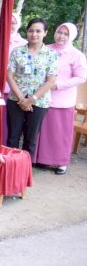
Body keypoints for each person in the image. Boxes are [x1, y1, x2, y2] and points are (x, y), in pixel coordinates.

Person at [33, 23, 87, 175]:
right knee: (43, 130)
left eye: (65, 34)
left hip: (63, 99)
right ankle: (42, 159)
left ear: (71, 37)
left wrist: (59, 85)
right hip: (43, 97)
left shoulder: (76, 55)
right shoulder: (46, 49)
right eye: (59, 32)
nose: (61, 36)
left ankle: (60, 162)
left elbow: (82, 77)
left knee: (60, 133)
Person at [6, 17, 58, 160]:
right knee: (13, 137)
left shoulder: (51, 55)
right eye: (31, 31)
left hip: (39, 102)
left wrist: (31, 99)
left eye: (38, 31)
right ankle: (10, 170)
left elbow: (51, 80)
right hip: (16, 100)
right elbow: (9, 76)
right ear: (27, 32)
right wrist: (22, 99)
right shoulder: (17, 52)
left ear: (45, 33)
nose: (34, 34)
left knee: (30, 139)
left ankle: (24, 173)